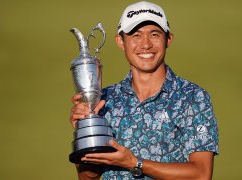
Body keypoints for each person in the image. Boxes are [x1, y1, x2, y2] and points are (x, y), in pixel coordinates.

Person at [70, 1, 219, 179]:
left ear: (168, 39)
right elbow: (88, 177)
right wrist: (85, 135)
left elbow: (201, 174)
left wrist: (134, 163)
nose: (146, 44)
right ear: (120, 41)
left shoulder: (193, 97)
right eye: (136, 35)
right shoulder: (106, 100)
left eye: (154, 34)